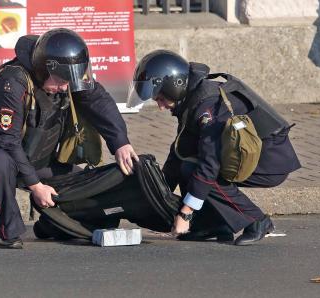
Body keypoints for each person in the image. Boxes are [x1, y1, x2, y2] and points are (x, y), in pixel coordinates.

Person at [0, 28, 138, 249]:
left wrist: (120, 142)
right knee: (0, 164)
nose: (65, 88)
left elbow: (98, 101)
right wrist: (36, 186)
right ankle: (9, 232)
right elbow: (7, 142)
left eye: (70, 82)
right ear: (43, 69)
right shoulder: (13, 82)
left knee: (85, 187)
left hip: (33, 159)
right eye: (61, 81)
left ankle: (51, 227)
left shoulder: (66, 75)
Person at [127, 50, 301, 245]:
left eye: (160, 99)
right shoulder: (191, 99)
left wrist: (185, 213)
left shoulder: (207, 106)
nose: (160, 106)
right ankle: (213, 224)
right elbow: (180, 151)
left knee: (200, 172)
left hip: (269, 160)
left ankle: (257, 221)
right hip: (246, 154)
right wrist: (158, 193)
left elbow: (211, 163)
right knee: (188, 165)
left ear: (173, 87)